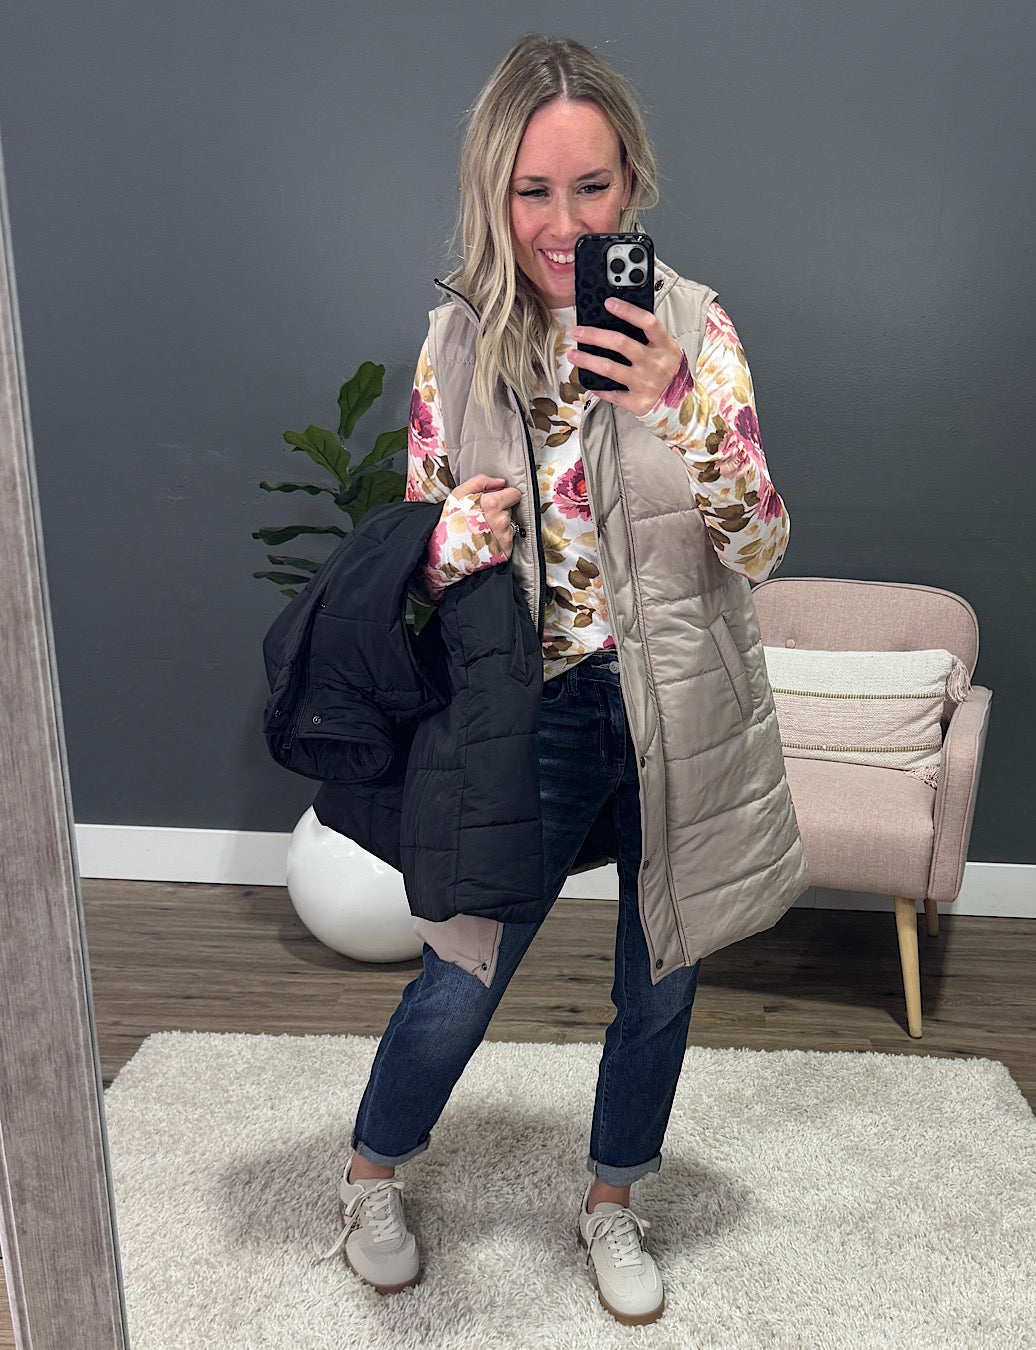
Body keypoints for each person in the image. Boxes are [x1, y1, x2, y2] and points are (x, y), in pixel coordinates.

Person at [325, 34, 807, 1325]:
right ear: (493, 190)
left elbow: (760, 545)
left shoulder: (695, 329)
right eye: (532, 191)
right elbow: (424, 562)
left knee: (663, 974)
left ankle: (612, 1199)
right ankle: (370, 1173)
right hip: (526, 710)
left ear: (631, 181)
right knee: (463, 965)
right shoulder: (455, 342)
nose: (562, 223)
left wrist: (674, 408)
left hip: (675, 705)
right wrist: (453, 540)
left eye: (590, 187)